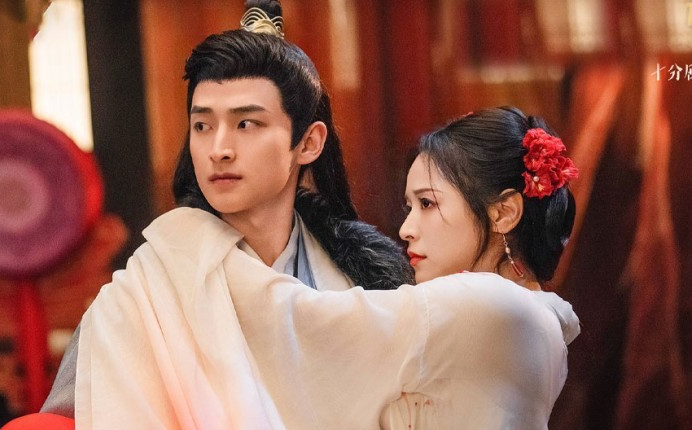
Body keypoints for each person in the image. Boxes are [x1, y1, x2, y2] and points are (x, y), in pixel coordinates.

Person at [56, 106, 579, 428]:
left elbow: (297, 321)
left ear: (504, 212)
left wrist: (188, 239)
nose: (405, 229)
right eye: (409, 206)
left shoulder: (486, 305)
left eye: (428, 204)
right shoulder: (542, 318)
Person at [33, 0, 412, 421]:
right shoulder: (141, 297)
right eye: (203, 126)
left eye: (246, 124)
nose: (219, 149)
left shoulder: (365, 284)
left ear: (309, 143)